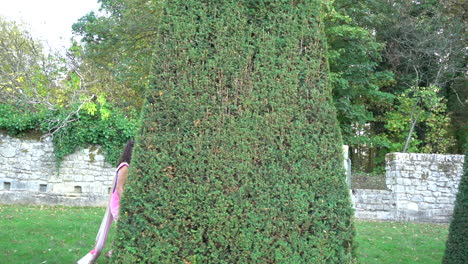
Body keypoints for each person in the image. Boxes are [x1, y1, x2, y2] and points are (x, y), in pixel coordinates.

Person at [77, 140, 134, 264]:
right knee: (125, 227)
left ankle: (113, 252)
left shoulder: (123, 165)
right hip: (118, 203)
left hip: (115, 201)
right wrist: (127, 204)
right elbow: (119, 188)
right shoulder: (125, 167)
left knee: (123, 228)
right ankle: (113, 252)